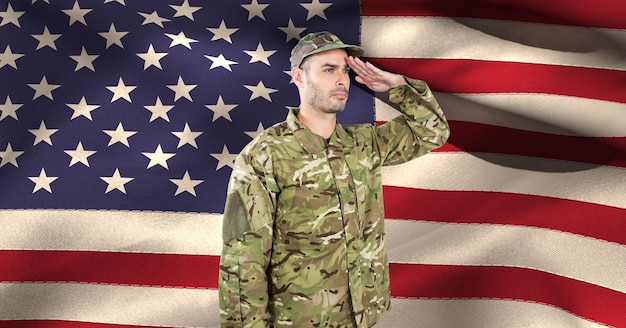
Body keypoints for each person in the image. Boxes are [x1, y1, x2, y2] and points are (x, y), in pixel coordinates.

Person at [219, 31, 450, 327]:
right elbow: (242, 257)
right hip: (301, 319)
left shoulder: (364, 143)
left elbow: (432, 132)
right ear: (299, 76)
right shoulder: (265, 155)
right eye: (329, 69)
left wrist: (399, 88)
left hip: (361, 315)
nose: (342, 79)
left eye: (345, 69)